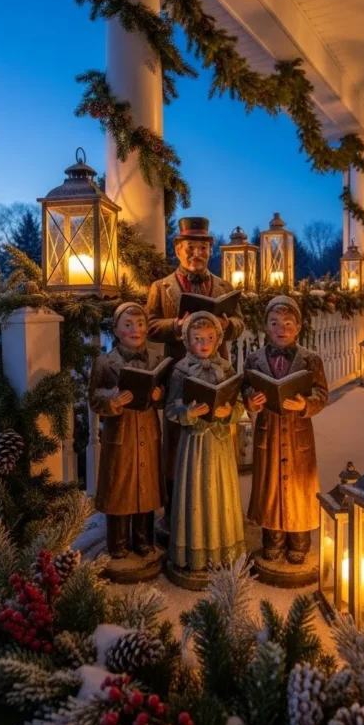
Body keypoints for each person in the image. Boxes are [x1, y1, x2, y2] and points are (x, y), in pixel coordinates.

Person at [147, 217, 244, 507]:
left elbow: (240, 322)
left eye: (203, 248)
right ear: (178, 250)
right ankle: (177, 509)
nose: (197, 254)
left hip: (217, 372)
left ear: (210, 251)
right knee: (178, 438)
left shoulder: (224, 285)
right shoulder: (160, 287)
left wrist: (228, 326)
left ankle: (216, 504)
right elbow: (151, 325)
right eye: (191, 247)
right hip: (180, 372)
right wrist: (177, 325)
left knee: (217, 429)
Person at [243, 295, 328, 566]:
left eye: (288, 323)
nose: (282, 329)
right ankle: (273, 539)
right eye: (275, 323)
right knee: (270, 486)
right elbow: (246, 386)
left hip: (298, 433)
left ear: (299, 327)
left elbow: (322, 393)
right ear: (266, 327)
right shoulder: (254, 359)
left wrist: (305, 404)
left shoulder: (310, 360)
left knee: (299, 486)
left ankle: (299, 540)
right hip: (268, 431)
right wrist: (250, 401)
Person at [165, 311, 245, 575]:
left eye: (210, 338)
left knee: (221, 493)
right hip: (194, 445)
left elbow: (238, 403)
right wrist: (188, 412)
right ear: (188, 340)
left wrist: (228, 413)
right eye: (197, 338)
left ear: (218, 338)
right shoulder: (180, 370)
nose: (204, 343)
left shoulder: (225, 367)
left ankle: (224, 548)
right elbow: (171, 409)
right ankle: (195, 550)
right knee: (196, 493)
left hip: (220, 443)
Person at [88, 302, 165, 559]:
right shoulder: (104, 362)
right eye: (128, 325)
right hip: (120, 433)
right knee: (120, 486)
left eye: (140, 324)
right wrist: (114, 399)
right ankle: (118, 542)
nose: (136, 330)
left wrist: (159, 395)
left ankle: (143, 538)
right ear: (117, 330)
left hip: (148, 431)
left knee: (146, 485)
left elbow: (165, 394)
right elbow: (94, 398)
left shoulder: (156, 358)